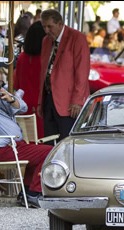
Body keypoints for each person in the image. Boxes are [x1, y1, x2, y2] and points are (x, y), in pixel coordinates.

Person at [0, 66, 53, 207]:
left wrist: (11, 98)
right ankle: (34, 193)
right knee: (49, 152)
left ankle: (25, 193)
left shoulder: (0, 96)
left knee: (38, 154)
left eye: (0, 82)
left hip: (12, 147)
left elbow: (23, 107)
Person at [37, 9, 90, 142]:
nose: (47, 30)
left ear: (60, 23)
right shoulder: (46, 41)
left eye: (50, 26)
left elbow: (82, 72)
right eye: (44, 27)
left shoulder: (77, 38)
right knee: (49, 142)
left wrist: (77, 100)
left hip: (69, 102)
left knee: (67, 142)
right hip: (49, 99)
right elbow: (44, 71)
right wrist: (40, 101)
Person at [14, 21, 46, 139]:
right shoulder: (45, 59)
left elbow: (16, 83)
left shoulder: (22, 58)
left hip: (24, 105)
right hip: (41, 106)